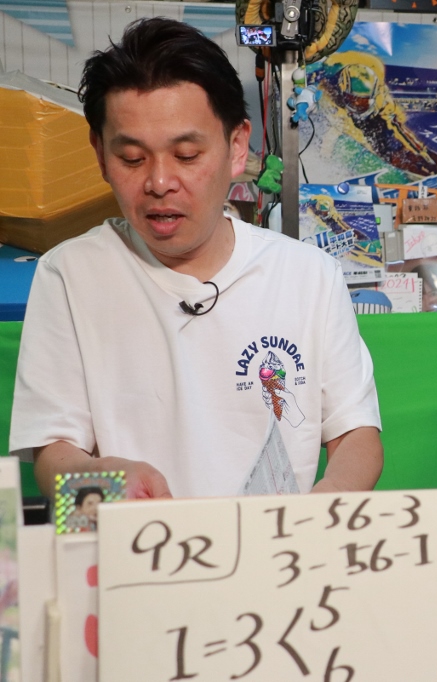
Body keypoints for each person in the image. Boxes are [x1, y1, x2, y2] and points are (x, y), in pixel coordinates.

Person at [9, 18, 383, 500]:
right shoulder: (68, 275)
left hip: (277, 543)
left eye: (186, 155)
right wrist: (105, 484)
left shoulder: (310, 276)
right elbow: (52, 453)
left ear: (236, 146)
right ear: (100, 155)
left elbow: (356, 433)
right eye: (132, 158)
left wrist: (326, 507)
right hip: (137, 542)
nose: (159, 183)